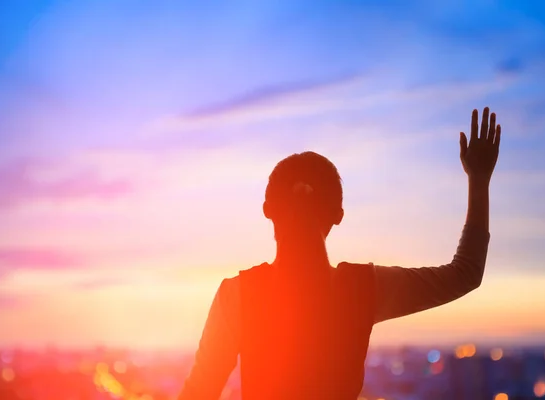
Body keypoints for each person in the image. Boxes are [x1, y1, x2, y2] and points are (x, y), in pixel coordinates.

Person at [178, 107, 501, 399]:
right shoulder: (362, 288)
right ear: (338, 214)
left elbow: (198, 392)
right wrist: (479, 180)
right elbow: (466, 274)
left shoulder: (238, 295)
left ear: (268, 210)